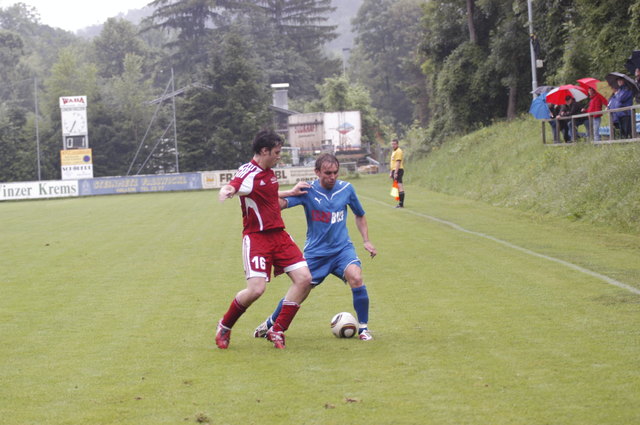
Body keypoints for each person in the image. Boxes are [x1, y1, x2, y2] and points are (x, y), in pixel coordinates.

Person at [253, 153, 378, 341]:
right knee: (299, 290)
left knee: (356, 277)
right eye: (328, 173)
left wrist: (366, 240)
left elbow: (359, 214)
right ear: (317, 172)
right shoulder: (307, 190)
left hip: (342, 250)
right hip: (316, 254)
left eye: (335, 172)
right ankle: (270, 323)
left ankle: (363, 329)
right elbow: (279, 204)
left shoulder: (347, 189)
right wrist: (275, 194)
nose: (333, 176)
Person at [215, 129, 313, 350]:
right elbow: (235, 184)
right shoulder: (248, 172)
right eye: (277, 152)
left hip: (279, 234)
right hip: (257, 238)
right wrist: (227, 190)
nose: (280, 156)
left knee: (305, 279)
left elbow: (267, 195)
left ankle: (277, 330)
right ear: (264, 150)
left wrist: (292, 192)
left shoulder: (269, 171)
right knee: (256, 290)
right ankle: (225, 325)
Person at [389, 139, 405, 208]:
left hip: (398, 170)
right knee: (397, 187)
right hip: (394, 170)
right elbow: (393, 162)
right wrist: (391, 172)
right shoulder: (394, 151)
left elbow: (398, 162)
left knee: (399, 186)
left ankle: (401, 204)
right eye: (392, 144)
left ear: (397, 144)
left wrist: (395, 172)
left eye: (394, 144)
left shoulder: (399, 151)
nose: (393, 145)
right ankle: (399, 203)